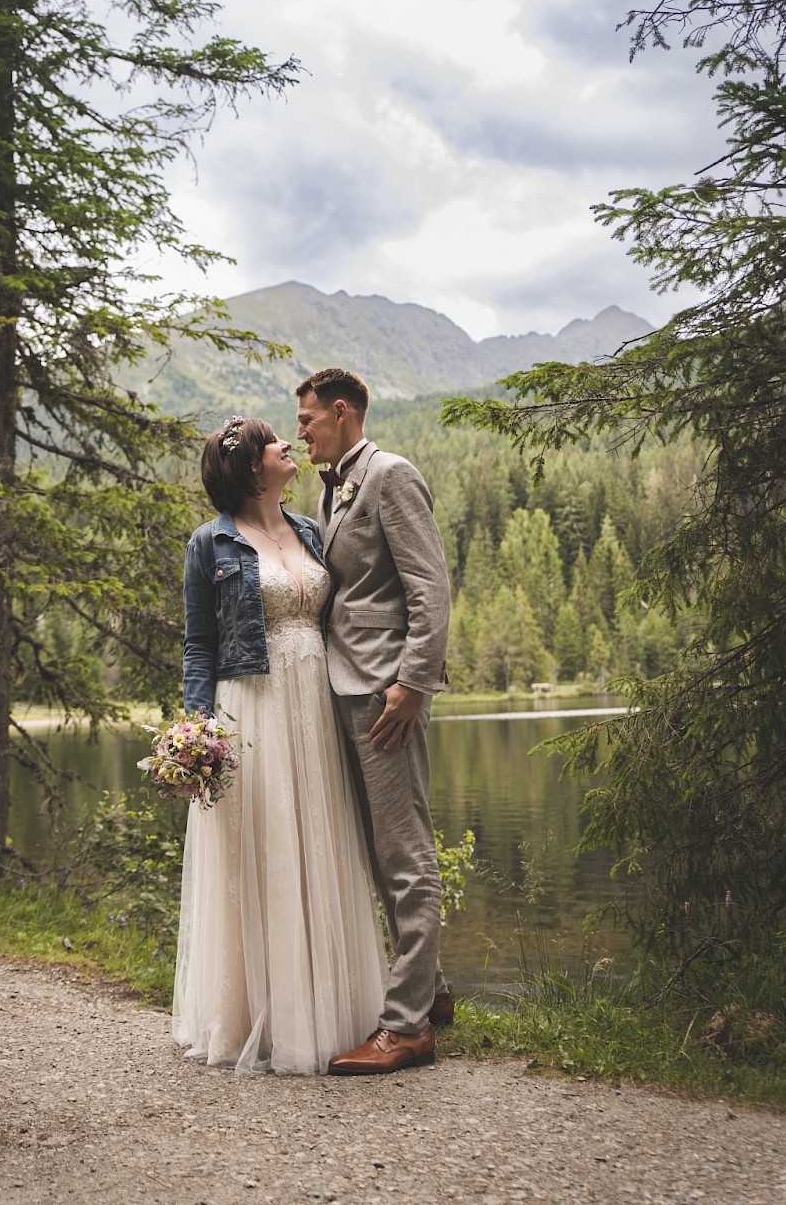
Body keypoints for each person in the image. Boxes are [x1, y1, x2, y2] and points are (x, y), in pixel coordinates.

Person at [173, 415, 387, 1076]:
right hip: (253, 706)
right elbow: (200, 644)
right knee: (263, 851)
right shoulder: (211, 544)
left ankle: (332, 1011)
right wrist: (197, 728)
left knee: (317, 845)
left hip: (315, 705)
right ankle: (259, 1019)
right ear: (249, 466)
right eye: (274, 443)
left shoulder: (311, 532)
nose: (286, 446)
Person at [295, 368, 452, 1075]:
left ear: (341, 412)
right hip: (347, 687)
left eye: (307, 420)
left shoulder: (391, 475)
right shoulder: (332, 488)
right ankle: (432, 992)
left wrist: (413, 683)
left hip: (387, 693)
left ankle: (407, 1028)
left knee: (406, 857)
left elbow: (429, 586)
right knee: (376, 853)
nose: (300, 432)